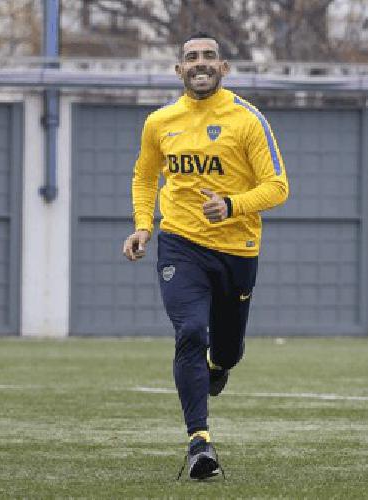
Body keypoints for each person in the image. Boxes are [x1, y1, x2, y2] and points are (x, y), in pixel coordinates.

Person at [121, 32, 290, 480]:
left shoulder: (247, 120)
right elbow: (144, 177)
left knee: (228, 352)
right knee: (191, 331)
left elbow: (278, 187)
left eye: (210, 56)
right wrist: (143, 225)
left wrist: (232, 205)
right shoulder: (160, 122)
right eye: (192, 57)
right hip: (181, 242)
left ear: (224, 67)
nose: (201, 63)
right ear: (179, 70)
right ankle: (200, 443)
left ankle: (219, 366)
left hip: (237, 249)